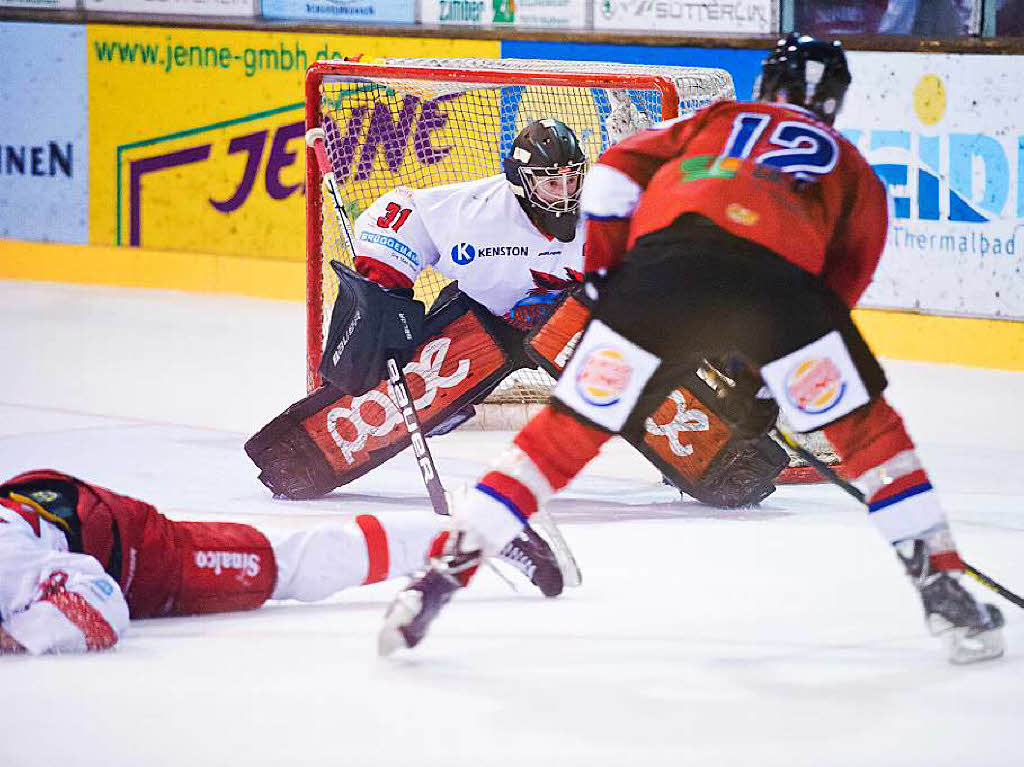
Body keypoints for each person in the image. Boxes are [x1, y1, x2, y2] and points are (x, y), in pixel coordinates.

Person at [377, 34, 1006, 665]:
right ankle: (941, 583)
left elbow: (615, 171)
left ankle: (440, 577)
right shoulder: (852, 169)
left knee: (564, 432)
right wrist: (762, 376)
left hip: (660, 276)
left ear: (766, 85)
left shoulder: (716, 120)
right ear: (836, 100)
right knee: (871, 438)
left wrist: (603, 277)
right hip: (780, 292)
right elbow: (835, 292)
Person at [245, 118, 789, 510]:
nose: (567, 191)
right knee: (415, 381)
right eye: (553, 181)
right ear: (522, 180)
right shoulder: (475, 210)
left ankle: (719, 454)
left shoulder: (609, 213)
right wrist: (385, 281)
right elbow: (399, 213)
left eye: (572, 178)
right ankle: (302, 451)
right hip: (484, 319)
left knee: (620, 364)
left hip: (575, 321)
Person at [0, 469, 561, 655]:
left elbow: (99, 604)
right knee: (294, 562)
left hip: (145, 560)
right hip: (88, 531)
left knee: (291, 566)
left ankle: (479, 532)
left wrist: (15, 638)